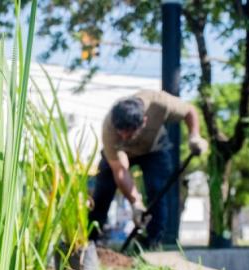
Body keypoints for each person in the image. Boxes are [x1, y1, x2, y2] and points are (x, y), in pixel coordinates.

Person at [88, 90, 208, 247]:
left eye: (129, 134)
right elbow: (120, 170)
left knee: (157, 189)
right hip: (121, 155)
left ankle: (153, 242)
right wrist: (135, 203)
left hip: (154, 150)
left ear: (144, 121)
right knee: (103, 190)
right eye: (121, 133)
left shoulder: (159, 103)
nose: (124, 138)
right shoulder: (109, 127)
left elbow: (189, 111)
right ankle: (91, 240)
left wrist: (194, 136)